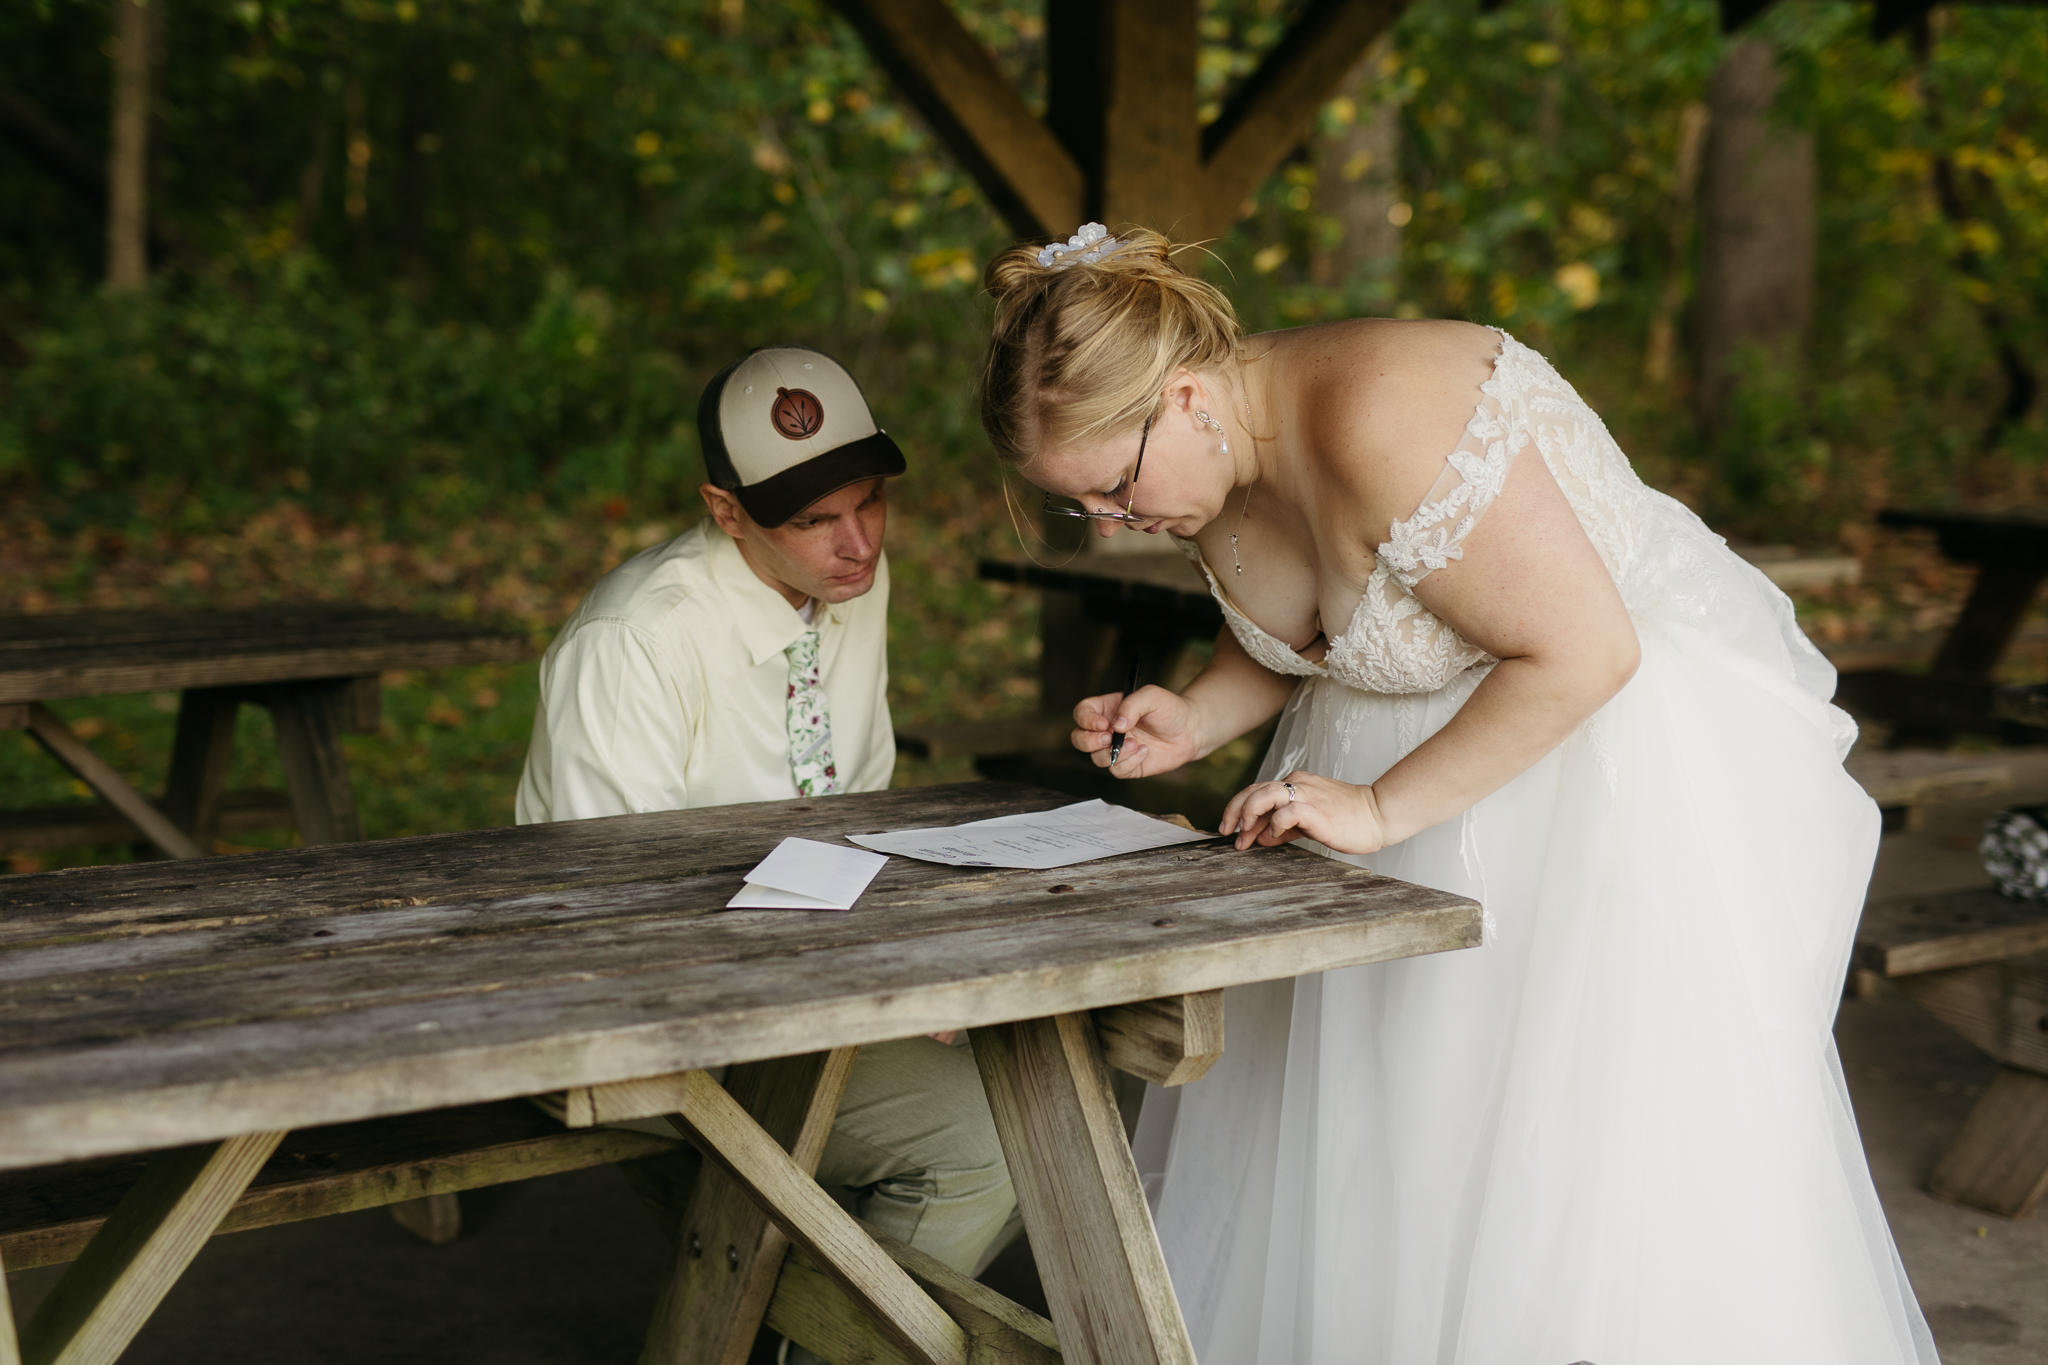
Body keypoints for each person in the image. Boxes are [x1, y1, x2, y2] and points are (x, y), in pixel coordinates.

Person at [977, 225, 1936, 1363]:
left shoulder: (1385, 416)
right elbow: (1319, 629)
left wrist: (1379, 811)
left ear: (1183, 395)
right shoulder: (1213, 448)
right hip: (1375, 791)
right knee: (1370, 1145)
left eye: (1113, 491)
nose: (1112, 525)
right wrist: (1189, 714)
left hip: (1571, 777)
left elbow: (1582, 654)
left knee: (1541, 1167)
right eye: (1083, 508)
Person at [516, 346, 1017, 1295]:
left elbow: (854, 815)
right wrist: (876, 992)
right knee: (986, 1141)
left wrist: (906, 968)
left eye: (871, 499)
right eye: (813, 519)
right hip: (632, 1004)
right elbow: (622, 912)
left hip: (802, 972)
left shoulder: (844, 586)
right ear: (724, 510)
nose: (859, 542)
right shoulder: (634, 642)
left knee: (1036, 1088)